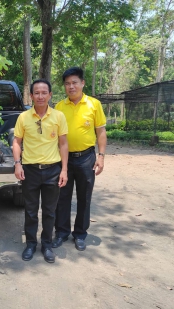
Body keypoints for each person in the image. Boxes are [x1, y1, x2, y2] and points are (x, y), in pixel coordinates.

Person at [13, 79, 69, 263]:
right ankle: (30, 244)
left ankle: (46, 244)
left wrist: (64, 170)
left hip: (53, 170)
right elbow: (17, 142)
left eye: (44, 92)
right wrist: (17, 164)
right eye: (36, 93)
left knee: (49, 211)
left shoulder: (59, 116)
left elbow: (63, 143)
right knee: (30, 210)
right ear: (31, 95)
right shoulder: (23, 117)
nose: (40, 96)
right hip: (30, 170)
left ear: (50, 95)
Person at [53, 67, 107, 251]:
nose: (71, 86)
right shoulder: (59, 107)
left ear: (82, 83)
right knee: (62, 197)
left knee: (85, 197)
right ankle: (61, 232)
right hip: (64, 160)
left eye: (75, 82)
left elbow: (100, 131)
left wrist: (101, 156)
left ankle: (80, 234)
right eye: (67, 83)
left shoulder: (94, 104)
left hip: (86, 159)